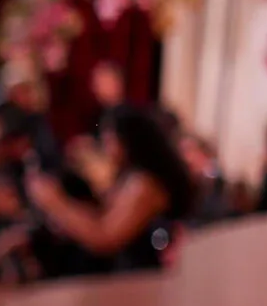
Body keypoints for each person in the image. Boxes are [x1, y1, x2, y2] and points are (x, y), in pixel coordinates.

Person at [25, 103, 197, 269]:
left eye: (109, 142)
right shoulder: (129, 177)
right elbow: (99, 215)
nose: (106, 150)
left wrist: (55, 202)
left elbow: (105, 237)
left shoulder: (144, 184)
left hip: (139, 281)